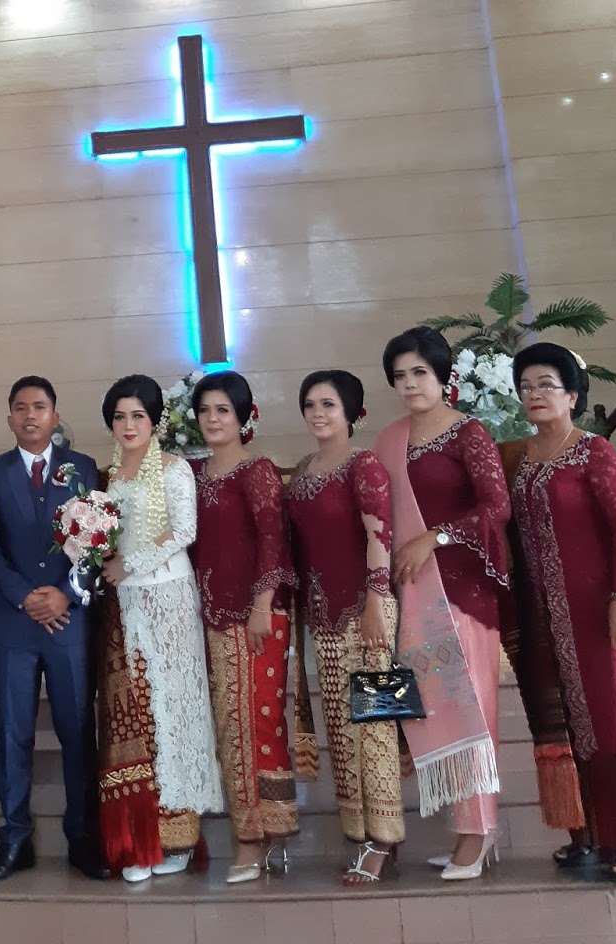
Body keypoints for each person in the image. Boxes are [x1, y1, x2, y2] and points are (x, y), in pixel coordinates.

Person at [505, 342, 616, 883]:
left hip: (600, 614)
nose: (535, 394)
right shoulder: (519, 460)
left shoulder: (594, 453)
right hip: (545, 620)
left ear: (573, 395)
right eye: (526, 387)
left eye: (546, 385)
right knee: (568, 725)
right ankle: (587, 836)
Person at [375, 326, 510, 881]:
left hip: (460, 593)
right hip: (407, 594)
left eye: (420, 373)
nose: (410, 384)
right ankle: (466, 829)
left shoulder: (468, 433)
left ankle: (479, 833)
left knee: (468, 707)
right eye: (400, 376)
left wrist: (435, 537)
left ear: (442, 375)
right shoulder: (389, 440)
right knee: (430, 709)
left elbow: (496, 506)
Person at [0, 375, 107, 882]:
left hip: (68, 621)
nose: (31, 415)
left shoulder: (83, 468)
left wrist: (65, 594)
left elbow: (97, 542)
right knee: (13, 734)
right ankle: (14, 839)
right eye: (21, 407)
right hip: (14, 622)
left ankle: (82, 836)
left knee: (77, 731)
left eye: (40, 406)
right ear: (10, 418)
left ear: (55, 416)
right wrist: (24, 595)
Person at [96, 374, 223, 884]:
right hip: (124, 603)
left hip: (167, 597)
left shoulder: (174, 468)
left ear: (156, 421)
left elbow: (184, 531)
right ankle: (143, 836)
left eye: (138, 416)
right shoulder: (110, 475)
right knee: (141, 713)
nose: (128, 425)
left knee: (173, 710)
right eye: (119, 417)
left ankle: (179, 840)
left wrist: (130, 564)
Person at [287, 370, 404, 884]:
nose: (317, 413)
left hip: (369, 613)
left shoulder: (365, 465)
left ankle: (383, 839)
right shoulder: (304, 471)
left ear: (351, 411)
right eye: (310, 404)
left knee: (376, 729)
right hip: (326, 620)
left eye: (328, 404)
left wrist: (377, 598)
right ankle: (360, 833)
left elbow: (380, 535)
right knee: (341, 732)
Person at [191, 370, 299, 885]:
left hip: (256, 615)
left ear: (243, 417)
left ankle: (256, 839)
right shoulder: (194, 474)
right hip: (212, 617)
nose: (213, 419)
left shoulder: (257, 471)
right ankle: (255, 833)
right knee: (229, 729)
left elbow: (272, 539)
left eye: (223, 410)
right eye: (205, 410)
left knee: (257, 724)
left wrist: (261, 604)